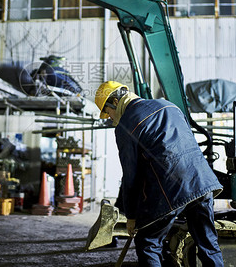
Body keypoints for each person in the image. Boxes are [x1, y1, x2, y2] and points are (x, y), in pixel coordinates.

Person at [95, 81, 224, 267]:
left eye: (108, 112)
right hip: (203, 182)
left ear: (115, 101)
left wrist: (131, 216)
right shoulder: (169, 106)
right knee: (208, 243)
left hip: (171, 189)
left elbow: (131, 175)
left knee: (148, 243)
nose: (110, 118)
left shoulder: (125, 126)